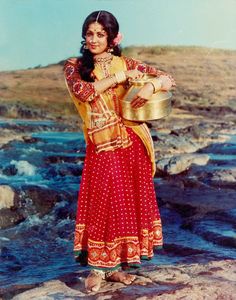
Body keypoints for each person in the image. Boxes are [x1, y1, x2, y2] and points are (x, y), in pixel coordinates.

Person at [64, 10, 175, 293]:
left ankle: (118, 268)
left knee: (126, 203)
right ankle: (97, 269)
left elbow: (166, 78)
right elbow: (86, 93)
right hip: (101, 144)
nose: (94, 39)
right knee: (103, 201)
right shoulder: (74, 66)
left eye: (100, 34)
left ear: (112, 38)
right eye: (90, 33)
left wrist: (151, 84)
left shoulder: (126, 62)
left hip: (132, 141)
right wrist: (121, 77)